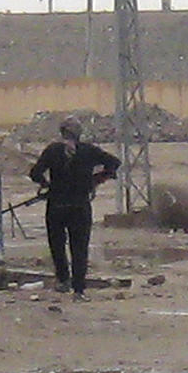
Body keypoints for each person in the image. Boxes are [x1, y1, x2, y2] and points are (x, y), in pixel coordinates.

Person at [29, 116, 120, 301]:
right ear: (79, 133)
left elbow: (35, 173)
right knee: (79, 248)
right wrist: (97, 179)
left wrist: (45, 184)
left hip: (56, 205)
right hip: (80, 206)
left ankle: (63, 280)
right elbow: (114, 163)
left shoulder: (52, 150)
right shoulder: (88, 151)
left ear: (62, 132)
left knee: (57, 245)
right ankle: (79, 290)